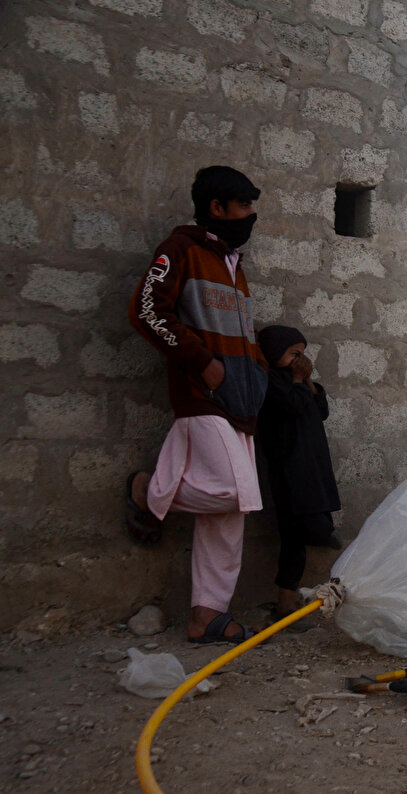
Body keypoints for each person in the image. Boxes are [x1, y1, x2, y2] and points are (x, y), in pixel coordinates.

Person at [124, 165, 268, 644]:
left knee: (229, 514)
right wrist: (203, 362)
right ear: (217, 208)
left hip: (240, 401)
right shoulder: (180, 249)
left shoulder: (233, 263)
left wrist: (257, 375)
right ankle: (148, 492)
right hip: (202, 397)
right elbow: (146, 310)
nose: (251, 215)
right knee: (233, 491)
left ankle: (207, 614)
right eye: (245, 206)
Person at [256, 325, 342, 623]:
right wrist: (296, 380)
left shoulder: (298, 382)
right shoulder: (268, 383)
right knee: (298, 534)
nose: (299, 360)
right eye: (293, 354)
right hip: (288, 469)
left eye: (302, 355)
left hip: (310, 465)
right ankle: (284, 606)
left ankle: (284, 607)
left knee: (298, 538)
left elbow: (320, 411)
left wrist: (306, 381)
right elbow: (290, 408)